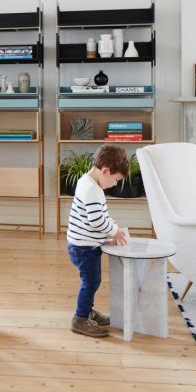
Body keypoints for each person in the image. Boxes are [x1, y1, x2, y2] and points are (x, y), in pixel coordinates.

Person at [66, 144, 130, 337]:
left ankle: (88, 311)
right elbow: (97, 221)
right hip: (83, 248)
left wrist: (111, 229)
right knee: (91, 282)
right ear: (105, 171)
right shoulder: (92, 190)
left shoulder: (88, 183)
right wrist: (114, 231)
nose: (115, 185)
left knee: (91, 281)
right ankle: (80, 318)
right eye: (116, 180)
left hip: (84, 245)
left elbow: (101, 215)